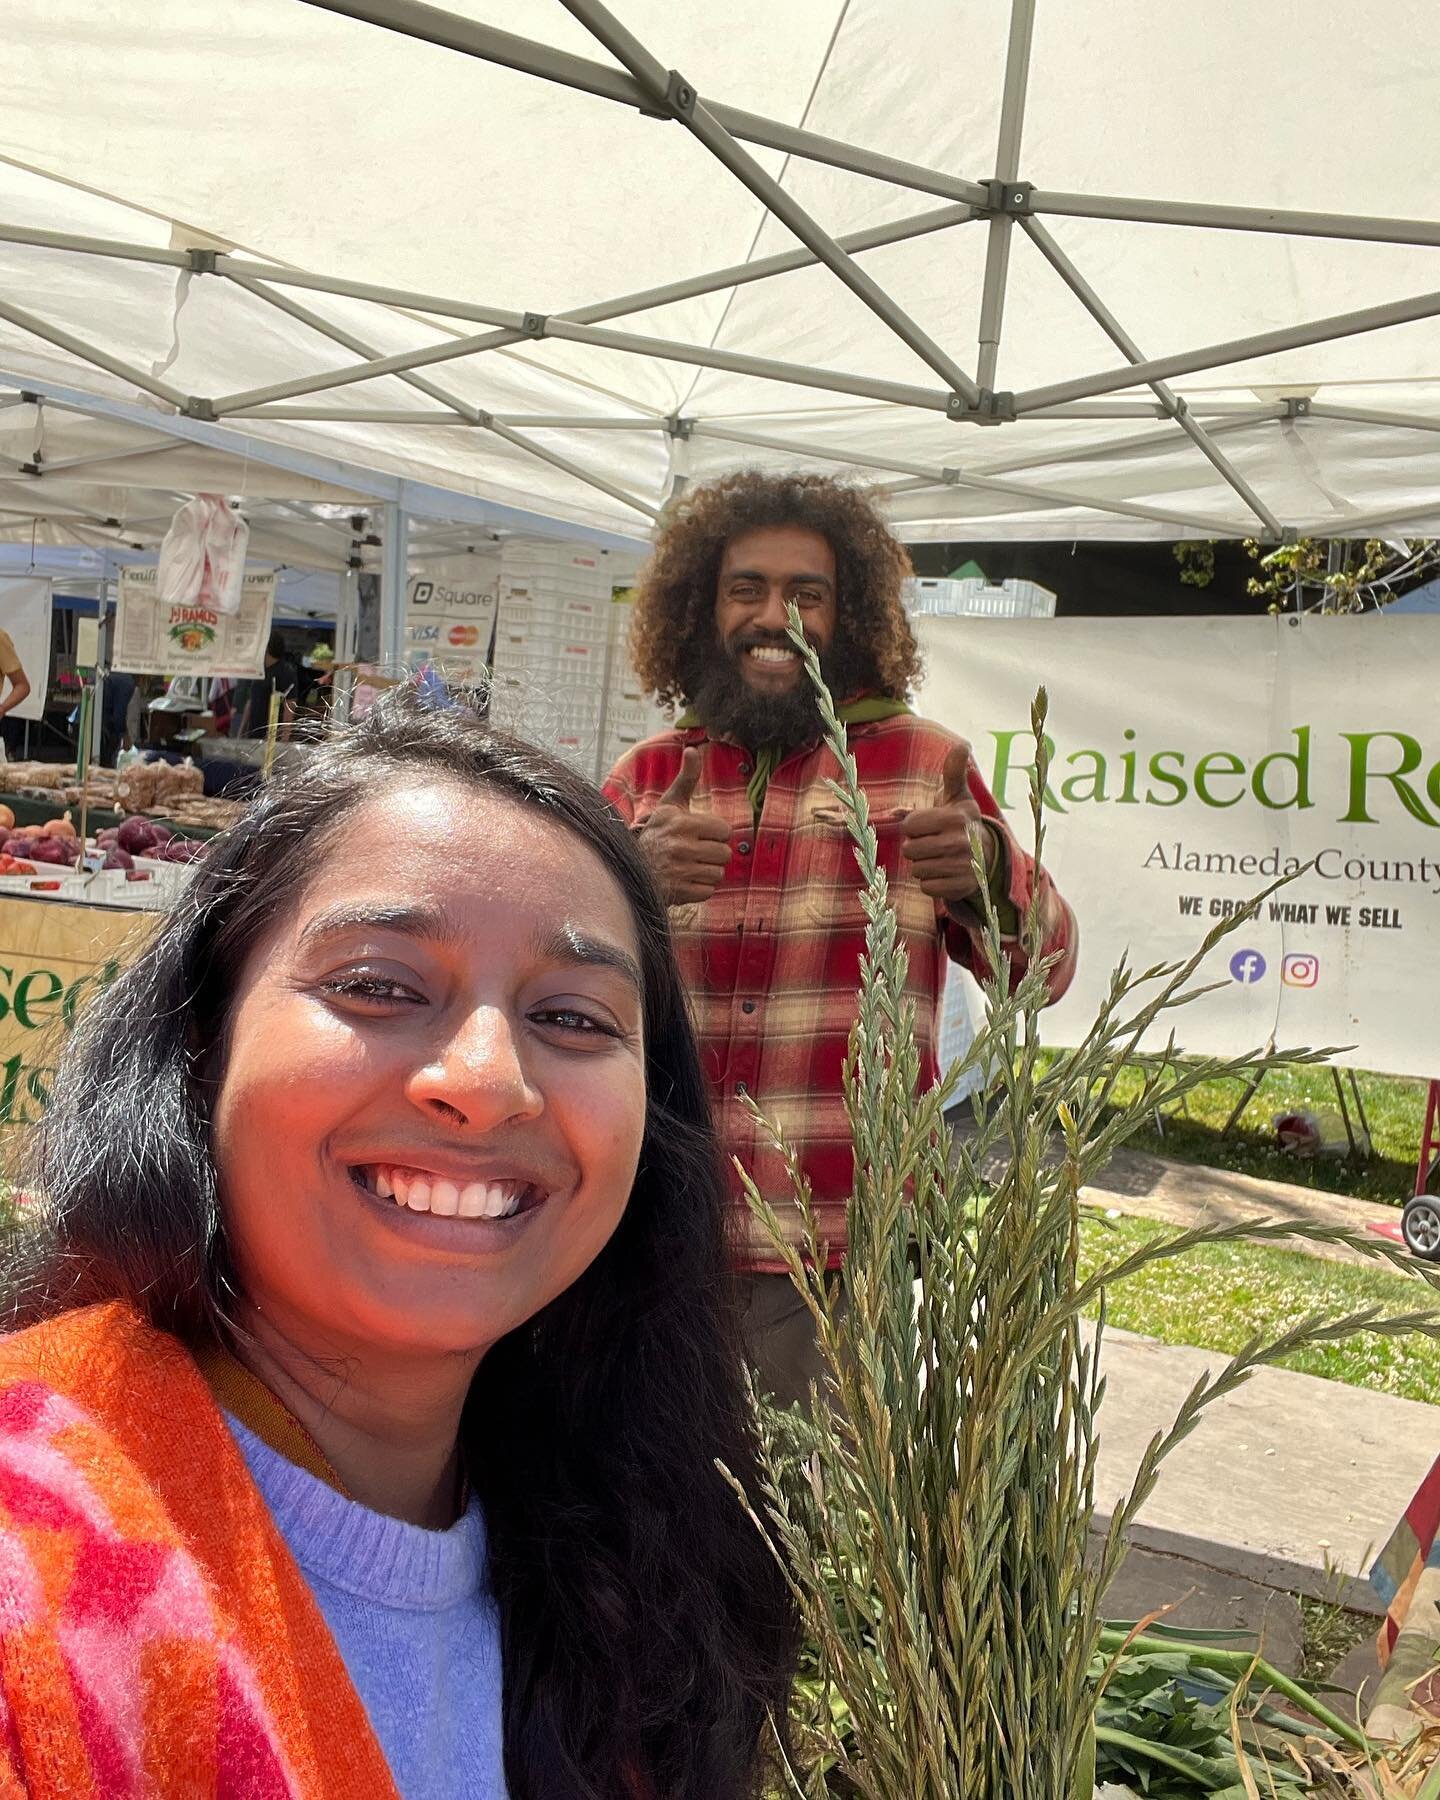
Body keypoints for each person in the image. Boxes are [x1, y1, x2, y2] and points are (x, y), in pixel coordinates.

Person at [0, 691, 795, 1798]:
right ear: (200, 1043)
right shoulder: (28, 1548)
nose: (487, 1083)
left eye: (573, 1017)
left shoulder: (644, 1563)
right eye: (377, 986)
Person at [602, 470, 1078, 1408]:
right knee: (633, 1514)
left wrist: (991, 874)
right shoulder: (650, 776)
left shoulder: (922, 765)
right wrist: (624, 880)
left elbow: (1048, 975)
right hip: (642, 1232)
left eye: (805, 594)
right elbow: (543, 973)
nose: (774, 615)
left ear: (846, 613)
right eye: (747, 588)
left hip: (827, 1252)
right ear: (706, 607)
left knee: (798, 1531)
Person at [233, 631, 299, 739]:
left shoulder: (286, 673)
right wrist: (242, 730)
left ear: (267, 646)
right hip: (253, 734)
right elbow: (251, 700)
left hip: (271, 737)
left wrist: (284, 739)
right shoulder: (260, 670)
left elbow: (289, 708)